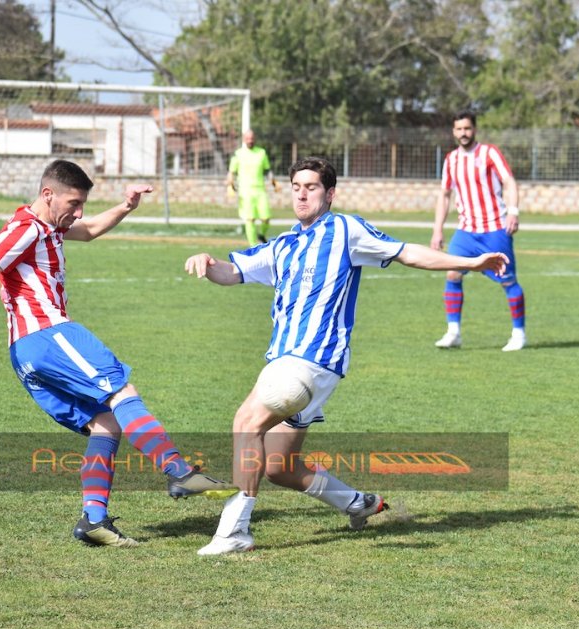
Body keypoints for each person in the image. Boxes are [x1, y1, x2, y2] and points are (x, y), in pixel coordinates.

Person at [184, 156, 509, 556]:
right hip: (299, 368)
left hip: (307, 361)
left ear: (330, 193)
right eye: (296, 187)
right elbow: (231, 272)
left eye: (312, 187)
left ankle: (235, 532)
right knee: (279, 468)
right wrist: (207, 262)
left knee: (245, 421)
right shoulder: (283, 245)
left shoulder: (344, 230)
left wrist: (470, 262)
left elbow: (407, 252)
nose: (302, 194)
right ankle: (360, 503)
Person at [0, 159, 234, 548]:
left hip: (26, 355)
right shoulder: (25, 228)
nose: (78, 212)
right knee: (122, 391)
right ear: (48, 195)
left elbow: (90, 231)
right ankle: (179, 470)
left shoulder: (48, 226)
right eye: (73, 203)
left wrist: (126, 207)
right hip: (47, 335)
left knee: (106, 424)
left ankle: (94, 521)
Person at [431, 110, 527, 352]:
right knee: (452, 274)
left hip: (495, 228)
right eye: (459, 129)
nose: (463, 133)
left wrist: (513, 211)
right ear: (453, 132)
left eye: (467, 128)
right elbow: (444, 195)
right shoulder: (451, 160)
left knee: (507, 280)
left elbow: (509, 181)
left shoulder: (489, 153)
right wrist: (437, 230)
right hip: (466, 231)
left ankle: (519, 334)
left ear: (474, 129)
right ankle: (454, 332)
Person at [226, 129, 280, 245]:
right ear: (244, 139)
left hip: (260, 191)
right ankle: (253, 245)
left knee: (266, 218)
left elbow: (267, 170)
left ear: (254, 139)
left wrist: (274, 183)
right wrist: (230, 185)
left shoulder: (261, 153)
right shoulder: (238, 154)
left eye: (252, 138)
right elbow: (231, 172)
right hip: (245, 192)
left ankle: (261, 234)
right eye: (247, 138)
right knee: (250, 219)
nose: (250, 140)